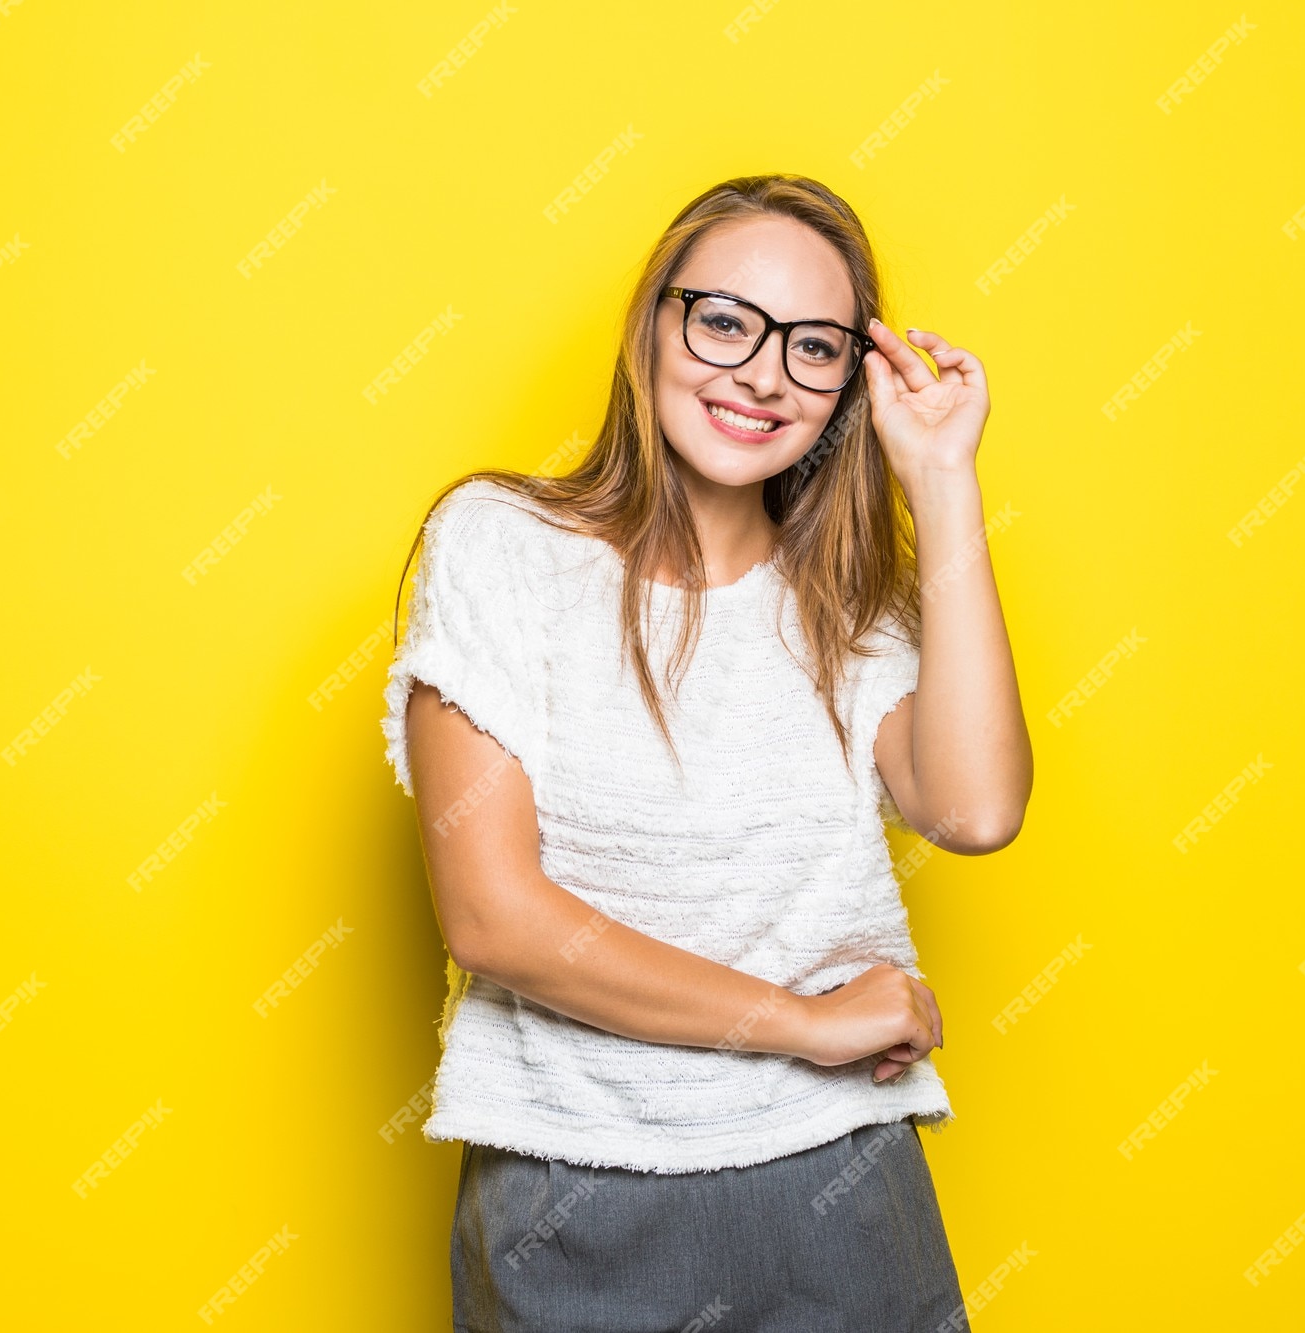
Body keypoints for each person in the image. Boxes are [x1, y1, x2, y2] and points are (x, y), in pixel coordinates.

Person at [380, 173, 1032, 1331]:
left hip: (836, 1176)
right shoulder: (498, 545)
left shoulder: (844, 605)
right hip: (571, 1186)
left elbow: (975, 811)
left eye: (813, 346)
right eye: (725, 320)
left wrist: (938, 480)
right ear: (654, 324)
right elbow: (492, 916)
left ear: (846, 385)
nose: (762, 372)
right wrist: (805, 1023)